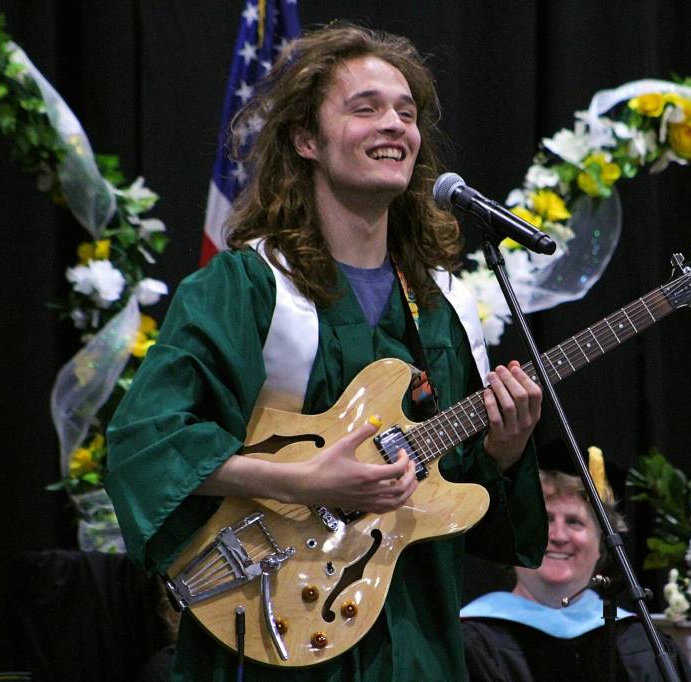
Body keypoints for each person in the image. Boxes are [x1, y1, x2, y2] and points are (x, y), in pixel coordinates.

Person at [105, 24, 548, 681]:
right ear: (306, 140)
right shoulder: (245, 288)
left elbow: (460, 504)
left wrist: (503, 453)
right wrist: (300, 481)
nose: (394, 124)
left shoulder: (431, 311)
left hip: (412, 639)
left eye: (407, 111)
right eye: (365, 107)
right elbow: (149, 440)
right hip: (275, 628)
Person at [460, 461, 691, 682]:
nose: (559, 536)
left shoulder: (641, 641)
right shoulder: (471, 640)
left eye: (574, 521)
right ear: (513, 540)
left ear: (602, 544)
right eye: (545, 520)